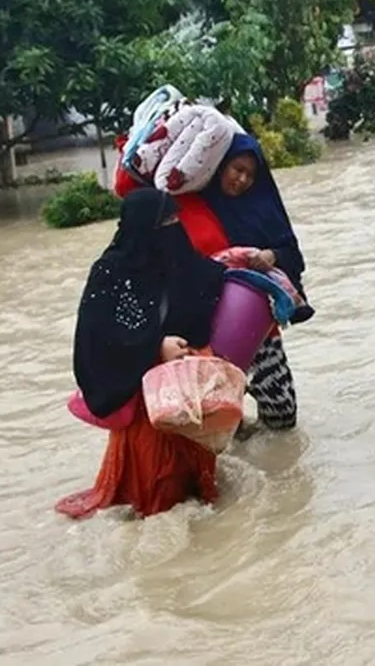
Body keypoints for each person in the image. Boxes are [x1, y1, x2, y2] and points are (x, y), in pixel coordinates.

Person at [57, 188, 228, 520]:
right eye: (166, 221)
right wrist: (155, 346)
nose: (175, 228)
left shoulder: (182, 263)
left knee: (201, 500)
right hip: (144, 402)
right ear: (142, 229)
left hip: (187, 394)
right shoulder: (111, 273)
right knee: (155, 497)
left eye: (177, 219)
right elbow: (98, 336)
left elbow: (207, 285)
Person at [201, 133, 312, 432]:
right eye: (237, 169)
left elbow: (293, 253)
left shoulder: (264, 206)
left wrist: (271, 255)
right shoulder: (199, 204)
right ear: (221, 166)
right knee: (219, 415)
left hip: (256, 321)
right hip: (207, 323)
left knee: (282, 415)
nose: (242, 180)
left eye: (250, 175)